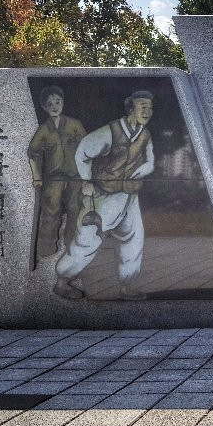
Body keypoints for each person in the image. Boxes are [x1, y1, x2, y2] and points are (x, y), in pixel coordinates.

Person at [53, 90, 155, 300]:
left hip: (129, 195)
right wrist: (87, 181)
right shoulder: (111, 131)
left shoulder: (145, 134)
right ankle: (62, 280)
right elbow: (83, 152)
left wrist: (138, 173)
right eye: (142, 106)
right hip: (103, 195)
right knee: (88, 240)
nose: (147, 110)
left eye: (149, 107)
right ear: (131, 108)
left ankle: (127, 286)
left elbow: (150, 161)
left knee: (134, 239)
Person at [28, 86, 86, 258]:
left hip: (75, 177)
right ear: (44, 108)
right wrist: (36, 177)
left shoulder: (75, 124)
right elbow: (32, 153)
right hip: (53, 179)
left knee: (75, 211)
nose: (54, 106)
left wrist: (87, 176)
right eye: (49, 104)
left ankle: (73, 249)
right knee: (50, 213)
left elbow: (86, 148)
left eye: (57, 102)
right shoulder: (44, 130)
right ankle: (46, 251)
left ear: (63, 102)